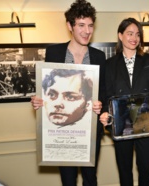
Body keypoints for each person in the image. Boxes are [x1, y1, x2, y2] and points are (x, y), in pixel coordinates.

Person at [30, 0, 106, 185]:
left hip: (90, 130)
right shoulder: (54, 53)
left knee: (90, 179)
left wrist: (100, 104)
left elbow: (103, 92)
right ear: (69, 26)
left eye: (90, 26)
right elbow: (46, 89)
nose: (87, 31)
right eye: (81, 25)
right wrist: (38, 101)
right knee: (68, 180)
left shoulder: (99, 56)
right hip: (61, 131)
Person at [99, 17, 149, 186]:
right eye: (130, 33)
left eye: (138, 34)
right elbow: (106, 94)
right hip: (121, 123)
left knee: (146, 167)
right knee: (124, 168)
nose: (134, 38)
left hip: (146, 122)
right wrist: (105, 111)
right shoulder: (110, 64)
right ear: (120, 35)